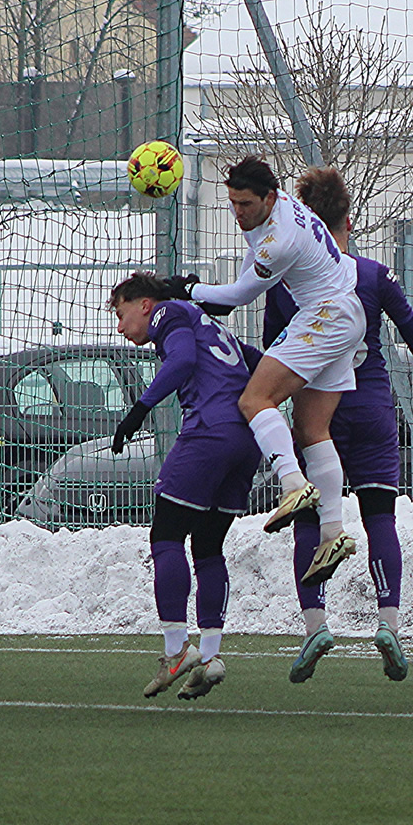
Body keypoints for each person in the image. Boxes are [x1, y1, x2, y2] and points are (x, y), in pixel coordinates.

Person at [282, 167, 413, 685]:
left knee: (310, 520)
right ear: (349, 218)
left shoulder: (289, 282)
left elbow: (273, 350)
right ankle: (388, 624)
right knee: (380, 518)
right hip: (374, 411)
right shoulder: (373, 275)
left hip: (319, 417)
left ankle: (316, 625)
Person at [177, 156, 364, 588]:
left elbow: (241, 293)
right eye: (232, 203)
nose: (237, 212)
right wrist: (202, 295)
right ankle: (333, 532)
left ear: (268, 197)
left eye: (244, 203)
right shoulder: (278, 211)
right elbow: (242, 278)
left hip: (324, 315)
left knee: (254, 399)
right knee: (312, 429)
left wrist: (187, 290)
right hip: (344, 313)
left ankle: (293, 483)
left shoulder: (280, 238)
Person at [109, 271, 263, 701]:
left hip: (209, 433)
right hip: (245, 439)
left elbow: (181, 363)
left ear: (144, 304)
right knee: (209, 548)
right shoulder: (208, 322)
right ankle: (210, 656)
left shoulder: (168, 315)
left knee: (166, 536)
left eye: (121, 315)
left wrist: (137, 411)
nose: (120, 328)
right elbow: (259, 362)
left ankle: (176, 650)